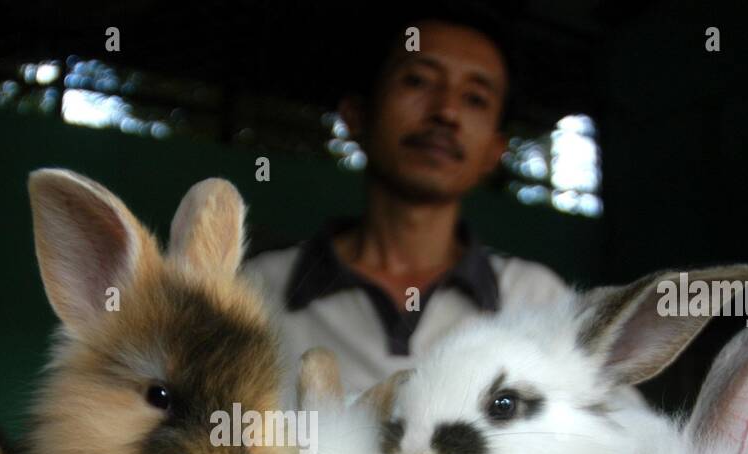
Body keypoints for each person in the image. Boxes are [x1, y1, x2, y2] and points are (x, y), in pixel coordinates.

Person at [244, 11, 570, 394]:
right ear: (357, 115)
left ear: (494, 152)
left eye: (476, 99)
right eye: (418, 80)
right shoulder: (255, 289)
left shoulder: (536, 298)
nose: (446, 112)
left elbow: (629, 437)